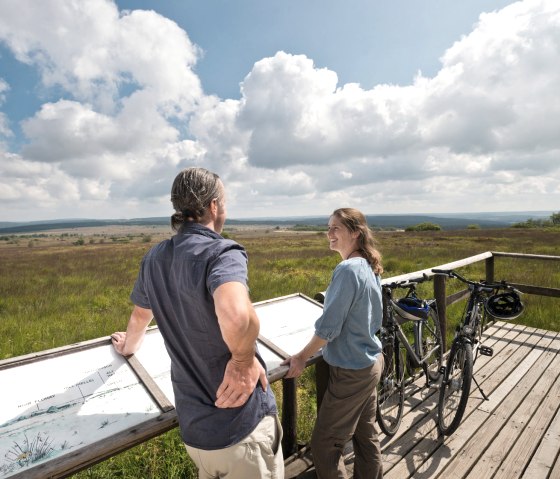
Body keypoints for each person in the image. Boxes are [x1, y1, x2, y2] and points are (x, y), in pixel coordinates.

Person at [111, 167, 284, 479]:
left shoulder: (154, 257)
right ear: (214, 206)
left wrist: (128, 346)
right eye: (225, 203)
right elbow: (236, 315)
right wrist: (243, 360)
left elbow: (140, 316)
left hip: (196, 434)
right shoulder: (222, 252)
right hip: (242, 429)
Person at [282, 207, 384, 479]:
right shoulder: (369, 264)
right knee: (366, 435)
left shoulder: (348, 269)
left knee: (325, 444)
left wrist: (302, 356)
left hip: (352, 369)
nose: (329, 234)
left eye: (335, 228)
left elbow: (329, 328)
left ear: (355, 232)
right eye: (328, 228)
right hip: (371, 361)